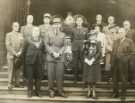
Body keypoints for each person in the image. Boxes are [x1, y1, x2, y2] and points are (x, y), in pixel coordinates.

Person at [45, 15, 66, 98]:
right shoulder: (48, 33)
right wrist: (52, 52)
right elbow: (46, 44)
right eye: (54, 23)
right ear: (52, 25)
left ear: (60, 25)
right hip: (51, 57)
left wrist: (59, 53)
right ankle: (51, 91)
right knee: (50, 75)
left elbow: (64, 45)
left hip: (60, 58)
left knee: (60, 75)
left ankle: (60, 91)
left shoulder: (63, 34)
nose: (56, 25)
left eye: (58, 23)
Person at [111, 28, 135, 99]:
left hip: (124, 63)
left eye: (121, 32)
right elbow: (113, 52)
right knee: (115, 79)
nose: (120, 34)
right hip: (115, 63)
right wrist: (111, 63)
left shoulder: (129, 41)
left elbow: (132, 52)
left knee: (123, 79)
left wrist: (125, 59)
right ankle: (115, 93)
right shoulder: (116, 41)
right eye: (119, 32)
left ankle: (123, 94)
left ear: (125, 33)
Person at [24, 27, 44, 97]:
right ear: (32, 32)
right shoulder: (28, 40)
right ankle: (30, 91)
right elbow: (24, 50)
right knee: (30, 77)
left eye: (37, 31)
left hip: (39, 62)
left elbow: (43, 50)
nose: (36, 32)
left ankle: (38, 91)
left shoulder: (42, 40)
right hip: (30, 62)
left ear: (39, 33)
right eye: (35, 31)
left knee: (38, 77)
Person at [83, 28, 102, 99]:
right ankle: (88, 91)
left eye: (94, 35)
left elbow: (99, 52)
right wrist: (86, 59)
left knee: (94, 78)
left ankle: (94, 91)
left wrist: (93, 59)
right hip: (87, 62)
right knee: (88, 77)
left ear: (96, 36)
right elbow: (84, 52)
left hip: (95, 62)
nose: (92, 37)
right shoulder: (86, 43)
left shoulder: (98, 42)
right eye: (91, 35)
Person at [5, 22, 24, 90]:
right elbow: (8, 45)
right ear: (12, 27)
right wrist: (15, 53)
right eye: (15, 26)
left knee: (18, 70)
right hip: (11, 56)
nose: (17, 27)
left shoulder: (20, 35)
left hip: (18, 55)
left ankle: (17, 83)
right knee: (11, 69)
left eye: (18, 26)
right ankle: (9, 84)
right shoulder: (8, 35)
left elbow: (22, 45)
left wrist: (20, 52)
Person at [72, 14, 88, 83]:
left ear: (82, 21)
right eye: (77, 20)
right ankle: (75, 78)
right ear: (76, 22)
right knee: (75, 63)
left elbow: (87, 39)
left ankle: (84, 78)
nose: (79, 22)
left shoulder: (85, 29)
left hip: (83, 48)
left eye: (80, 20)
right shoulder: (73, 29)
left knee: (83, 63)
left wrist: (85, 45)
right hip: (75, 48)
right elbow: (71, 39)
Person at [103, 16, 119, 81]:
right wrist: (107, 46)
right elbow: (103, 38)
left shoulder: (117, 28)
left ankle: (113, 77)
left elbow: (117, 38)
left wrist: (114, 46)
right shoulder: (105, 28)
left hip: (114, 47)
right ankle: (108, 77)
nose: (110, 20)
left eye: (111, 19)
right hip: (107, 48)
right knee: (107, 63)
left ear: (114, 20)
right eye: (109, 19)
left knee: (114, 63)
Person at [39, 13, 53, 79]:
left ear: (50, 20)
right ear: (43, 19)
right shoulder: (40, 27)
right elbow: (38, 37)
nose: (46, 20)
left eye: (48, 19)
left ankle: (48, 75)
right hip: (42, 47)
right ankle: (42, 74)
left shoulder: (52, 27)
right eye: (45, 19)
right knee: (41, 61)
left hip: (49, 46)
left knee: (49, 60)